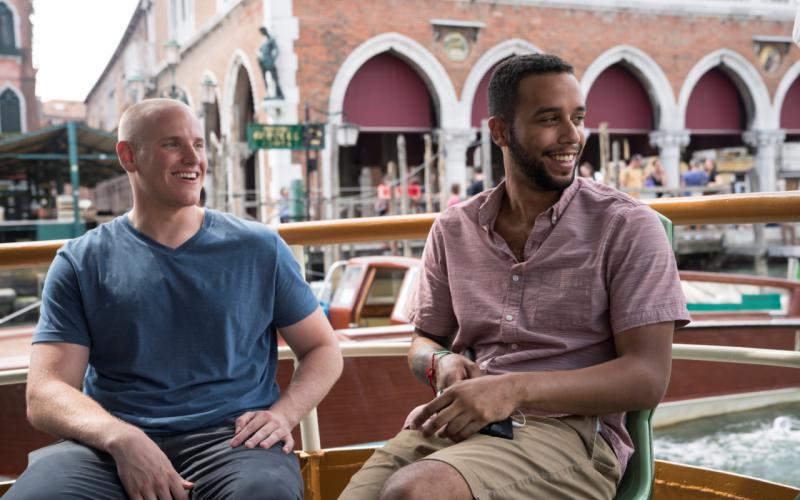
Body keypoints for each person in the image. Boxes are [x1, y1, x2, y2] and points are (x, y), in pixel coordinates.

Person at [340, 54, 689, 500]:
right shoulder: (453, 228)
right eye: (550, 119)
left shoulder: (627, 225)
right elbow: (423, 340)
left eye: (577, 118)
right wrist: (440, 361)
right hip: (458, 423)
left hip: (572, 436)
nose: (573, 136)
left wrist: (513, 390)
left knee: (415, 492)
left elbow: (647, 378)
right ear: (500, 132)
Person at [6, 99, 343, 500]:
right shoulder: (81, 261)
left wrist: (284, 414)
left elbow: (323, 348)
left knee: (265, 494)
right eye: (172, 144)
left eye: (198, 145)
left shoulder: (259, 247)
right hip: (109, 445)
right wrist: (121, 438)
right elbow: (45, 392)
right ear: (128, 156)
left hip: (235, 442)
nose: (193, 158)